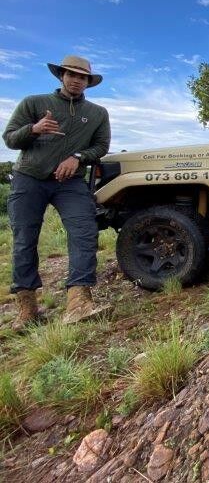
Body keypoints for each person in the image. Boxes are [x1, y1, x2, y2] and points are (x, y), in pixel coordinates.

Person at [3, 55, 111, 330]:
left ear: (88, 81)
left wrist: (78, 156)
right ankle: (27, 309)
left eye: (82, 77)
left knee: (84, 232)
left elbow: (101, 147)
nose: (76, 80)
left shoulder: (98, 113)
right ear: (61, 76)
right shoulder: (34, 103)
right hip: (29, 179)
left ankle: (78, 302)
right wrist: (34, 129)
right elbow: (10, 138)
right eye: (71, 75)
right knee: (24, 239)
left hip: (70, 182)